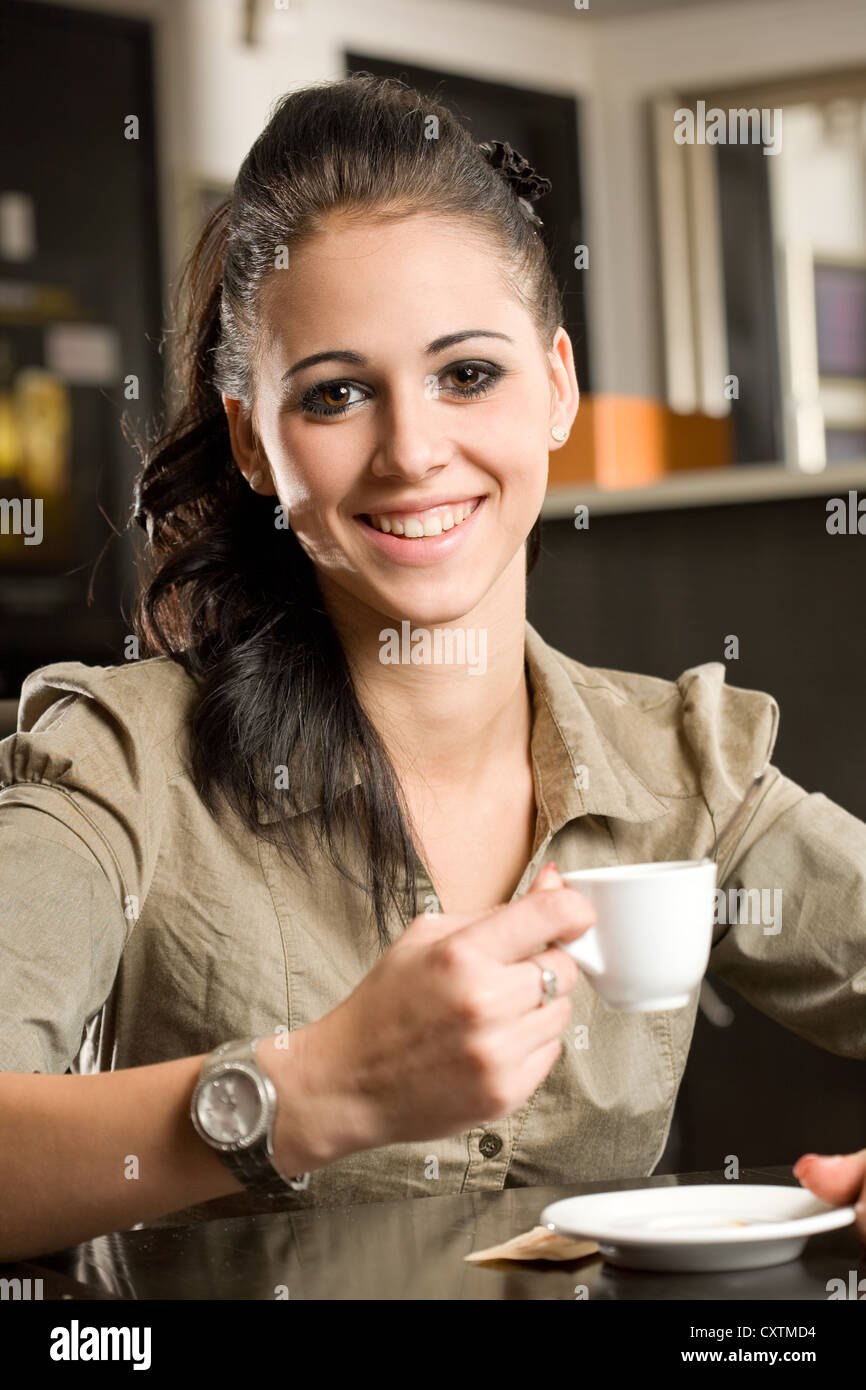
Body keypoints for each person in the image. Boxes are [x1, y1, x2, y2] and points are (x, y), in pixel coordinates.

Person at [0, 73, 863, 1264]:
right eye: (338, 393)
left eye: (467, 374)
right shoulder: (116, 763)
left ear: (555, 385)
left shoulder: (682, 770)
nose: (412, 451)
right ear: (253, 438)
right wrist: (307, 1095)